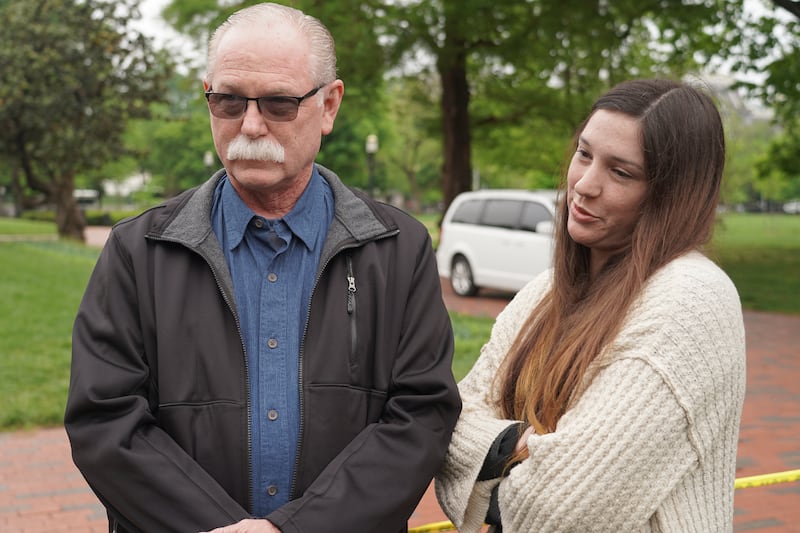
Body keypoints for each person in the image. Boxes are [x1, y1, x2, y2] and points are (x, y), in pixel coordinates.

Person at [64, 4, 460, 532]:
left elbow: (420, 417)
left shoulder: (398, 247)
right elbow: (104, 420)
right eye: (228, 100)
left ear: (329, 105)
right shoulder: (138, 250)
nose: (249, 124)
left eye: (278, 103)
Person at [435, 79, 746, 532]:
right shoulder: (546, 291)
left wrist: (491, 459)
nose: (584, 184)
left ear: (673, 195)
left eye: (621, 172)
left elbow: (560, 509)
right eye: (584, 154)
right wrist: (510, 446)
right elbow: (450, 415)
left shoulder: (691, 300)